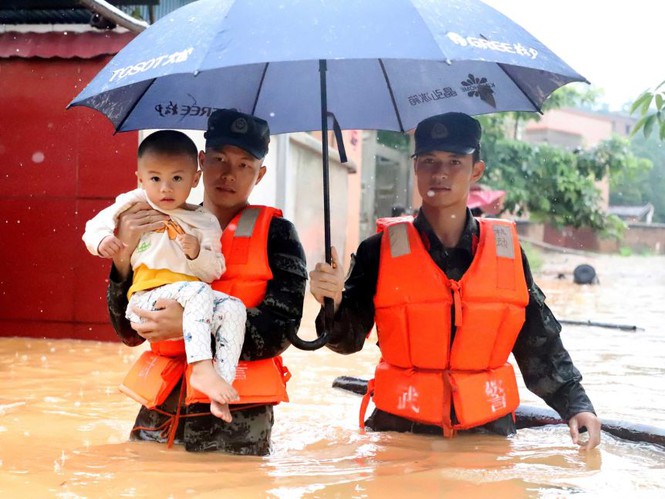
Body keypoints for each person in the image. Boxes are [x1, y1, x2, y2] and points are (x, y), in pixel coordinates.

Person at [309, 112, 601, 450]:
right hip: (399, 436)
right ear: (416, 166)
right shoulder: (378, 251)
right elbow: (345, 342)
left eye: (455, 161)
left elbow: (538, 340)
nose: (441, 172)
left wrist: (576, 404)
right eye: (430, 161)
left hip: (487, 435)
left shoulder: (507, 253)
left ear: (476, 170)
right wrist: (332, 301)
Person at [106, 109, 307, 455]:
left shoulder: (278, 235)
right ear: (201, 163)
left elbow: (282, 329)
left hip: (236, 426)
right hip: (160, 418)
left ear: (260, 174)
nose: (229, 174)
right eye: (219, 159)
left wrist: (187, 325)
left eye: (244, 165)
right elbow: (125, 332)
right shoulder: (157, 221)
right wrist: (121, 261)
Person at [83, 130, 246, 423]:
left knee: (234, 308)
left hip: (190, 297)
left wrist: (197, 253)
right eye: (155, 178)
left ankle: (220, 389)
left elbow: (214, 270)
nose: (165, 188)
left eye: (177, 179)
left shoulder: (204, 222)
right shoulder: (133, 204)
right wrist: (103, 240)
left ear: (194, 179)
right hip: (146, 300)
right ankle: (201, 367)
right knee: (199, 293)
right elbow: (94, 226)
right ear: (141, 179)